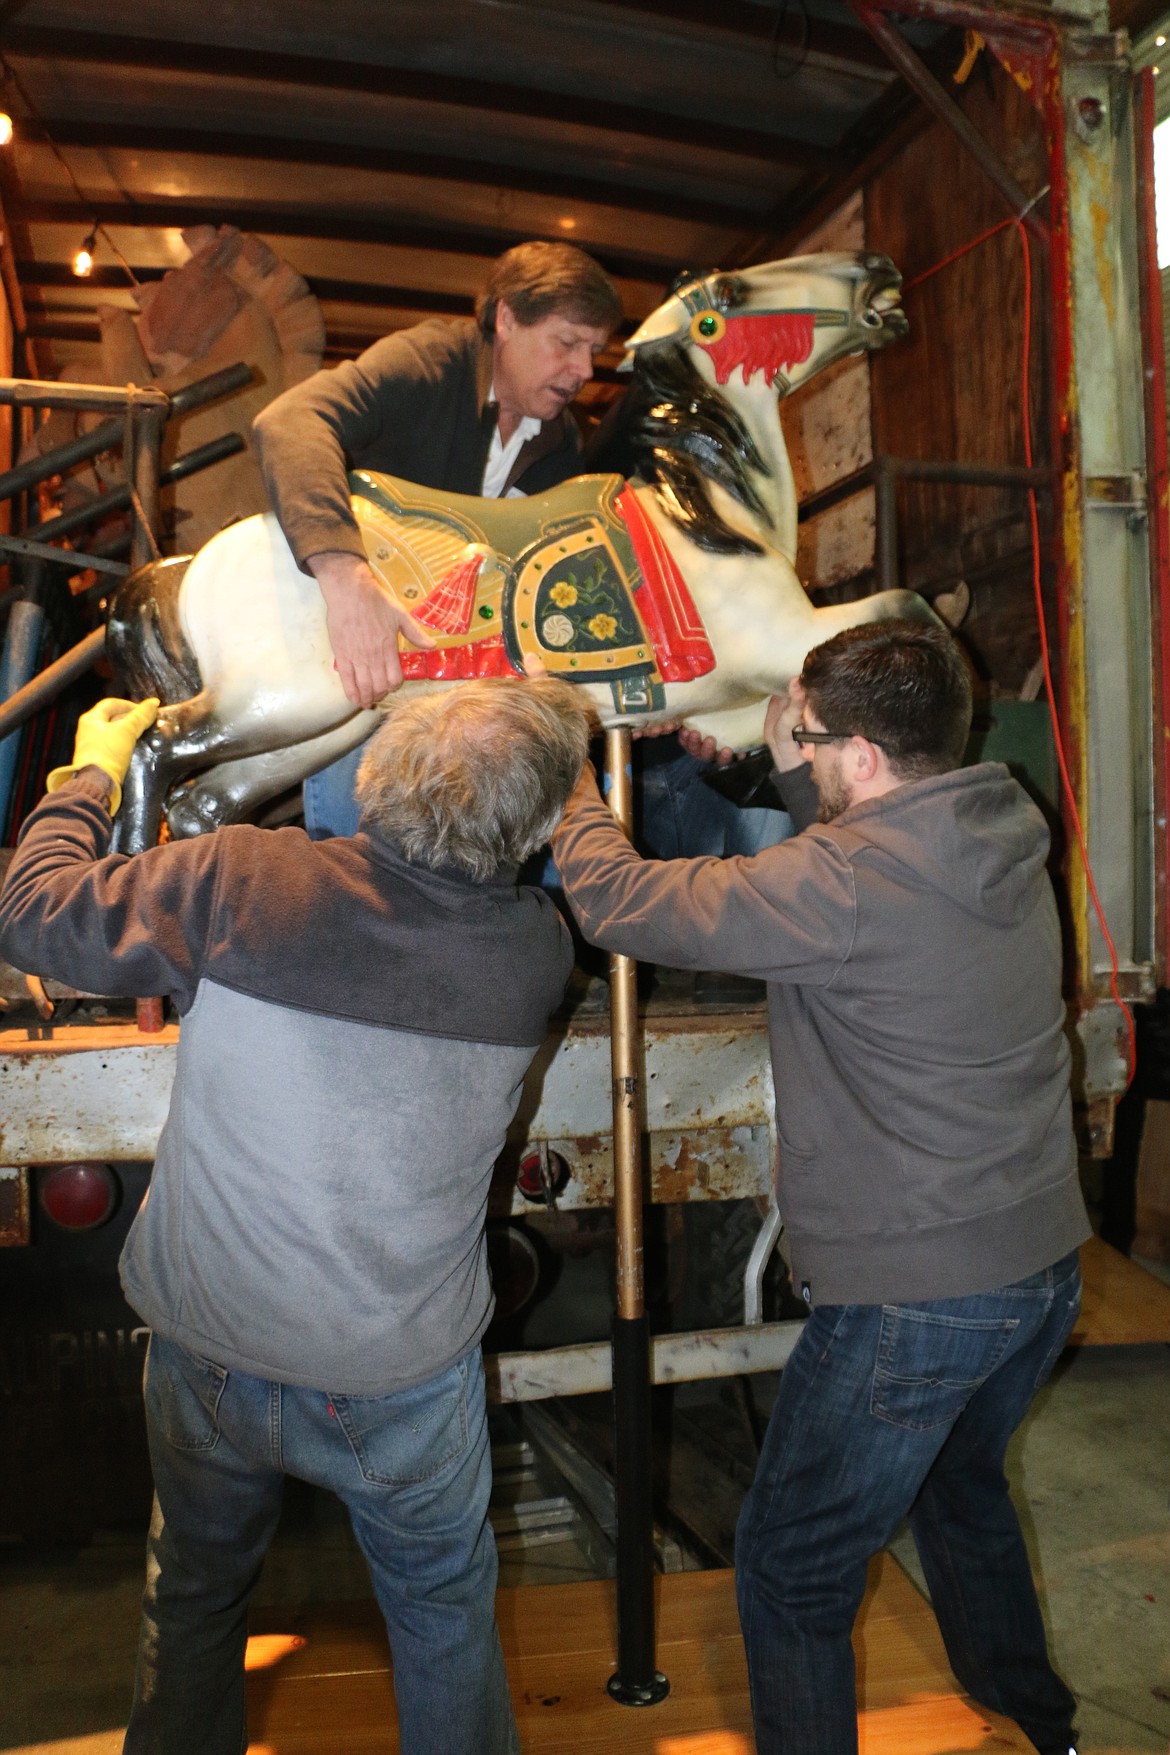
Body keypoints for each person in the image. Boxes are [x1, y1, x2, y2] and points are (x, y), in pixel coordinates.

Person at [0, 677, 593, 1755]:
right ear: (541, 826)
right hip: (399, 1380)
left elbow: (32, 913)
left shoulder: (246, 881)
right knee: (441, 1619)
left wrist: (89, 771)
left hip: (210, 1346)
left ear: (370, 779)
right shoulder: (535, 951)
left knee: (192, 1598)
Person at [549, 618, 1088, 1755]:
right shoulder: (997, 828)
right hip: (1040, 1271)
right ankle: (1043, 1731)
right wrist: (796, 748)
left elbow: (622, 904)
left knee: (791, 1571)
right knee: (960, 1493)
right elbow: (857, 858)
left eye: (814, 739)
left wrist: (568, 777)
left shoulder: (836, 886)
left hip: (920, 1295)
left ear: (861, 756)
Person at [253, 239, 621, 837]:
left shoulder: (562, 445)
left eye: (595, 351)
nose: (584, 370)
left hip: (465, 693)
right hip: (363, 658)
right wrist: (347, 578)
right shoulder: (428, 360)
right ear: (505, 318)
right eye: (567, 342)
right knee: (360, 841)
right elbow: (291, 421)